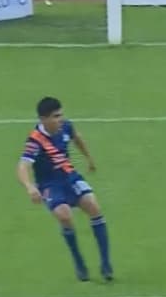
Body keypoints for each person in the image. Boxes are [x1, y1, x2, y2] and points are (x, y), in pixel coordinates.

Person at [16, 97, 114, 282]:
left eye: (61, 115)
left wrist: (89, 158)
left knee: (93, 206)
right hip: (49, 184)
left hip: (69, 177)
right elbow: (22, 166)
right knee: (64, 216)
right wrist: (29, 187)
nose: (60, 119)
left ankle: (106, 263)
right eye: (56, 116)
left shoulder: (66, 127)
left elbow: (77, 138)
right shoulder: (35, 141)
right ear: (43, 119)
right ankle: (79, 262)